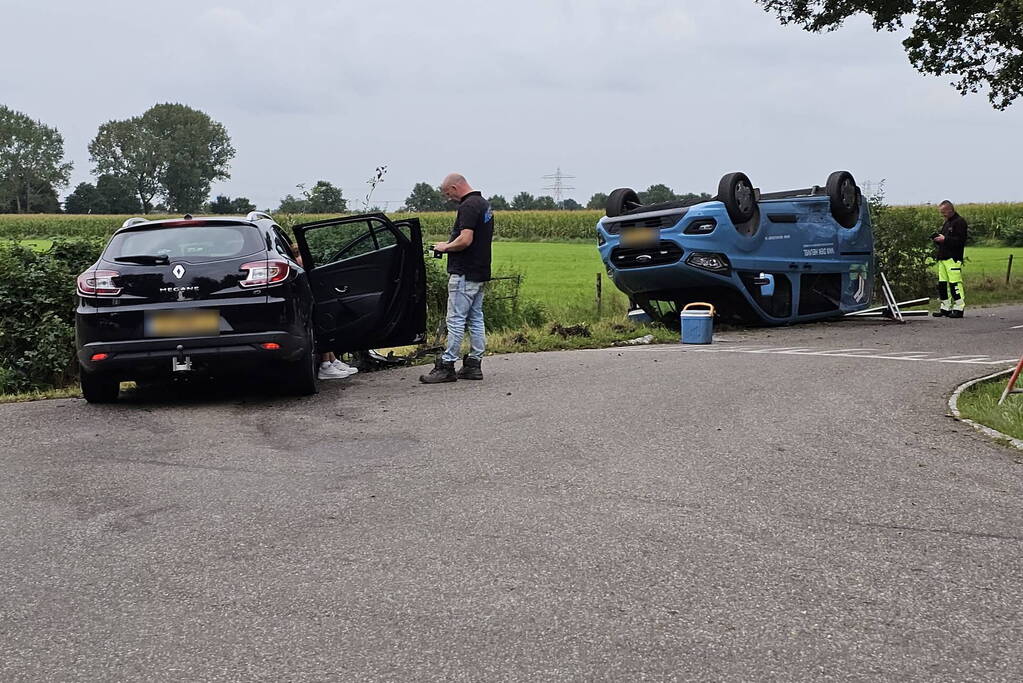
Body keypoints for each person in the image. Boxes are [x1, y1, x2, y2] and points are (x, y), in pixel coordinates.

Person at [420, 173, 494, 383]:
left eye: (447, 193)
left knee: (455, 319)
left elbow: (465, 240)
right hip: (479, 272)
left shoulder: (468, 206)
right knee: (475, 318)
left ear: (454, 187)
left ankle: (447, 365)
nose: (448, 198)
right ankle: (473, 364)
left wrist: (445, 247)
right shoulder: (484, 204)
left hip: (464, 273)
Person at [290, 242, 359, 379]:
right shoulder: (298, 266)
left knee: (325, 323)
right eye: (299, 254)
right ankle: (326, 365)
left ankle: (332, 360)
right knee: (323, 324)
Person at [932, 200, 968, 318]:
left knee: (954, 284)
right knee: (942, 284)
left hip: (953, 258)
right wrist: (938, 240)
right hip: (943, 258)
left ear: (950, 210)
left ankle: (959, 307)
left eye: (944, 212)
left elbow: (960, 241)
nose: (942, 214)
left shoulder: (960, 222)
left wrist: (945, 239)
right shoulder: (947, 223)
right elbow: (945, 239)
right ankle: (945, 307)